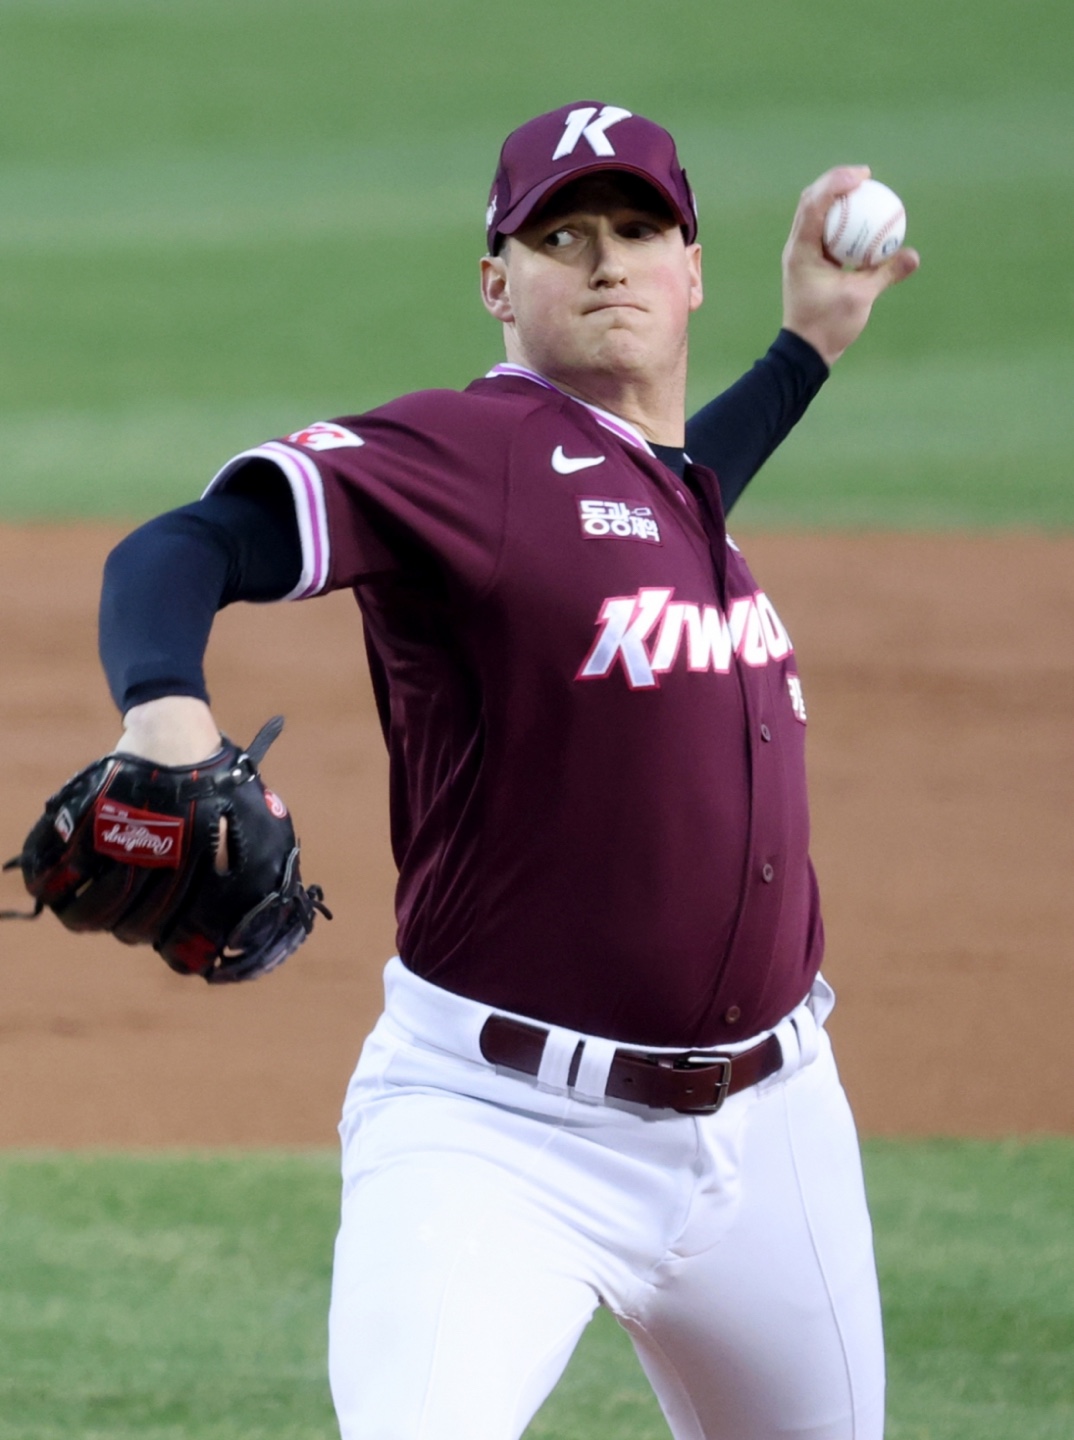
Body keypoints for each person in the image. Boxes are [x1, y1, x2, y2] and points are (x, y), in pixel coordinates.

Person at [97, 102, 918, 1440]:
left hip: (776, 1132)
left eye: (638, 230)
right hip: (497, 1138)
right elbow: (181, 548)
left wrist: (807, 346)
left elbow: (667, 483)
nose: (606, 260)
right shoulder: (464, 455)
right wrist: (164, 710)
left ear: (691, 271)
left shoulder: (665, 490)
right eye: (562, 235)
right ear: (497, 283)